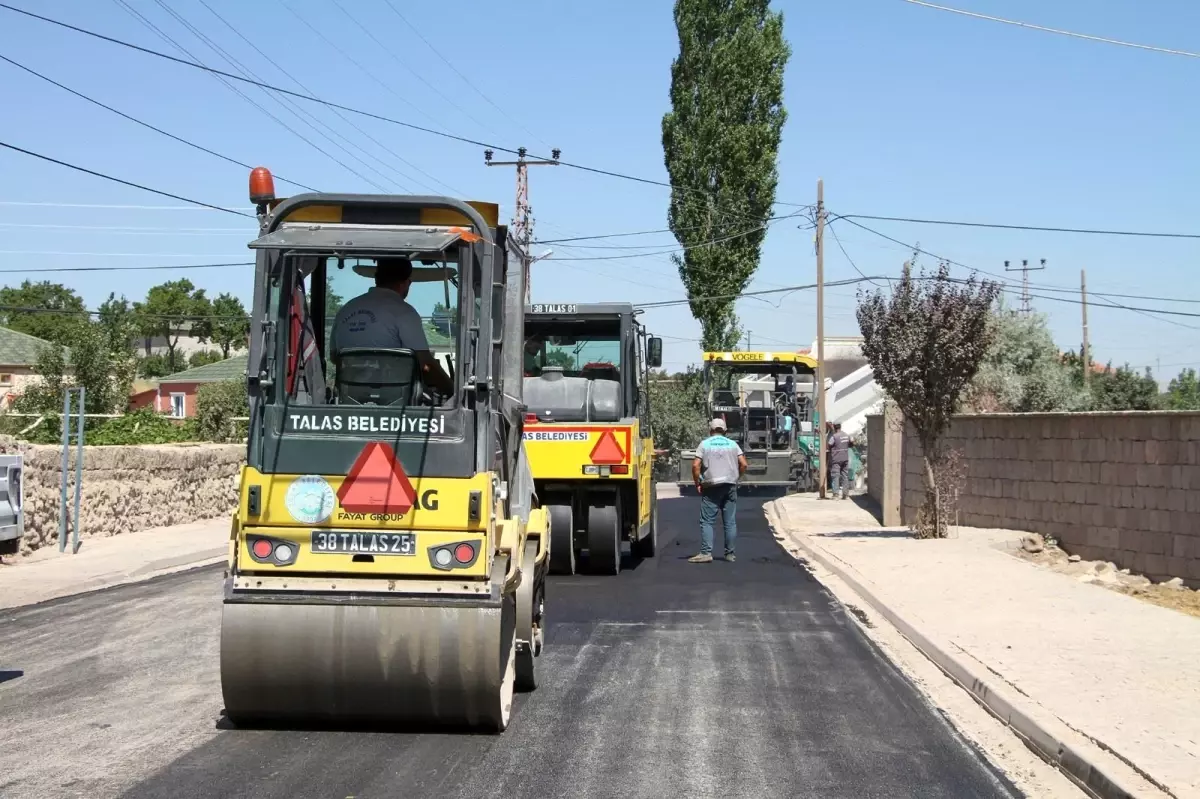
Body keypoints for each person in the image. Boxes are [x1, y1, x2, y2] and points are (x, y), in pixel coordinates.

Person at [329, 257, 454, 397]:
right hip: (394, 402)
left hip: (348, 399)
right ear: (406, 283)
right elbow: (425, 365)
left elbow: (334, 357)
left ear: (376, 279)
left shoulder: (345, 310)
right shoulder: (405, 312)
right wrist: (452, 391)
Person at [688, 418, 748, 563]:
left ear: (711, 430)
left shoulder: (705, 444)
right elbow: (744, 464)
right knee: (730, 522)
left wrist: (698, 482)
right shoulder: (733, 444)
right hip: (730, 486)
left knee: (707, 521)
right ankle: (730, 554)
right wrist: (736, 477)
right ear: (725, 430)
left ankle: (706, 553)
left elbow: (696, 465)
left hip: (711, 487)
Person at [828, 421, 852, 500]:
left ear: (834, 427)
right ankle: (845, 495)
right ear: (840, 427)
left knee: (835, 476)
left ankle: (836, 495)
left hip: (836, 459)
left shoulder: (834, 436)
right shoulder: (846, 435)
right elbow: (851, 444)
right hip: (845, 458)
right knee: (845, 476)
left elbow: (829, 445)